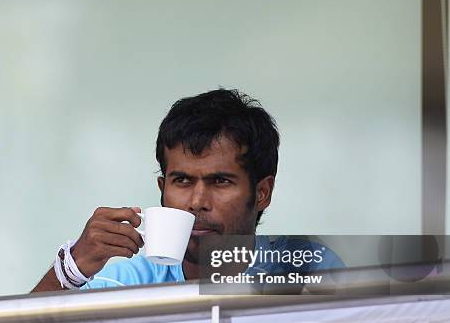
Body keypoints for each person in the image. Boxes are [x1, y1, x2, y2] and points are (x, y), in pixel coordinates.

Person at [31, 88, 343, 292]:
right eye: (182, 181)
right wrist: (71, 268)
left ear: (262, 192)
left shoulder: (303, 266)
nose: (197, 202)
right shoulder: (128, 283)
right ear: (162, 189)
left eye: (220, 181)